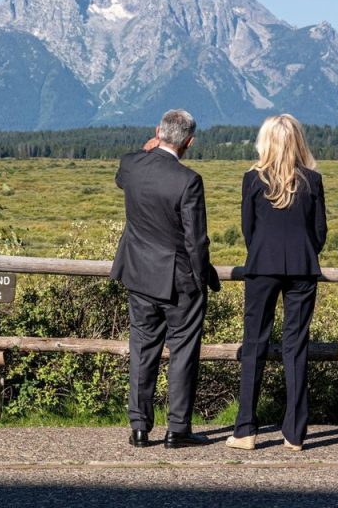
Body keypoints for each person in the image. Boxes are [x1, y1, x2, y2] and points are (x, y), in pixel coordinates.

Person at [110, 109, 220, 449]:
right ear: (190, 142)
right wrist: (202, 279)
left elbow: (121, 179)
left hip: (138, 274)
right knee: (183, 353)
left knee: (142, 349)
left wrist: (146, 150)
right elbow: (195, 240)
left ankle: (139, 427)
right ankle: (177, 428)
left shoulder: (131, 165)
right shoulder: (188, 180)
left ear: (158, 132)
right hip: (179, 279)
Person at [225, 114, 327, 452]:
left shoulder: (252, 179)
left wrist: (263, 251)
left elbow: (248, 229)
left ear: (266, 142)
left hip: (262, 265)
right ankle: (295, 433)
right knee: (295, 346)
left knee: (254, 343)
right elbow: (320, 232)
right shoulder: (313, 180)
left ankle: (245, 429)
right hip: (303, 267)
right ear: (298, 141)